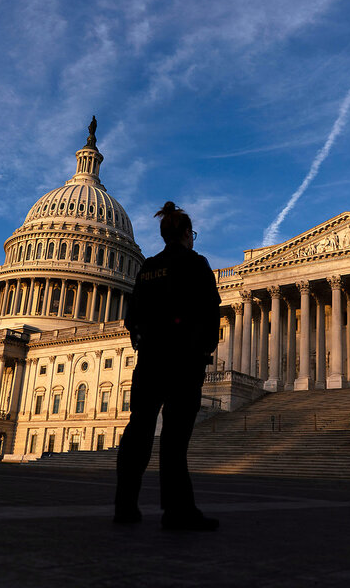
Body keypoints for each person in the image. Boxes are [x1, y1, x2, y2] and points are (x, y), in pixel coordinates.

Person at [114, 201, 221, 531]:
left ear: (163, 235)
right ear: (187, 234)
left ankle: (125, 506)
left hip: (149, 361)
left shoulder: (148, 268)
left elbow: (132, 317)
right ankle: (177, 511)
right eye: (192, 234)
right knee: (174, 440)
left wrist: (143, 341)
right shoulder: (195, 263)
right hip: (183, 363)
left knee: (138, 432)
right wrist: (204, 351)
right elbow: (210, 313)